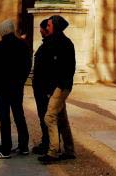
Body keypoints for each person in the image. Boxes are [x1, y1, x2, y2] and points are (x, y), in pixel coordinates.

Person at [0, 20, 31, 159]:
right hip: (16, 87)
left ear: (2, 32)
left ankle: (6, 149)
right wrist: (21, 81)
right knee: (19, 115)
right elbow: (27, 66)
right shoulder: (23, 46)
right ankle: (24, 146)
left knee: (4, 118)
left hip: (1, 88)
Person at [38, 15, 76, 165]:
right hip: (59, 85)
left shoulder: (62, 43)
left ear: (55, 26)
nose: (46, 28)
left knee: (49, 116)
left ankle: (53, 151)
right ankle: (69, 150)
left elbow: (63, 68)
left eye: (49, 25)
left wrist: (57, 85)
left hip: (60, 86)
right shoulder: (57, 41)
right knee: (61, 118)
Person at [31, 19, 52, 156]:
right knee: (43, 115)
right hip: (41, 86)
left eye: (42, 28)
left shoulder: (50, 45)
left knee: (46, 116)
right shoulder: (47, 44)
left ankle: (48, 144)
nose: (39, 30)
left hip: (44, 87)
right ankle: (48, 142)